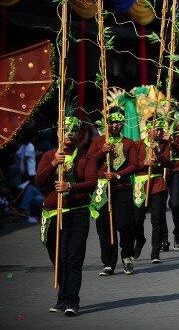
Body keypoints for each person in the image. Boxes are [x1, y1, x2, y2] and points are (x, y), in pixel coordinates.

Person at [36, 116, 97, 317]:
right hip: (53, 214)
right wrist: (54, 163)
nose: (68, 133)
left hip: (77, 213)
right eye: (64, 129)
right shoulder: (49, 155)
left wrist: (71, 186)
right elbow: (39, 181)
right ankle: (62, 298)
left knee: (73, 257)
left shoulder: (85, 157)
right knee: (59, 259)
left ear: (80, 134)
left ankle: (72, 301)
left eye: (73, 130)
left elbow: (92, 183)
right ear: (58, 133)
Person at [88, 107, 137, 276]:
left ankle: (127, 256)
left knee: (125, 225)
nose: (115, 125)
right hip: (102, 190)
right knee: (104, 227)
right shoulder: (98, 142)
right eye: (111, 122)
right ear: (106, 123)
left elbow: (133, 165)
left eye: (118, 122)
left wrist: (117, 175)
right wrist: (102, 152)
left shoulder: (129, 143)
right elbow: (88, 163)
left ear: (122, 124)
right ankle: (108, 263)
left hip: (122, 188)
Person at [132, 116, 171, 264]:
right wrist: (144, 163)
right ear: (148, 129)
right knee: (137, 220)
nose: (159, 132)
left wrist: (158, 154)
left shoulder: (165, 145)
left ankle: (155, 252)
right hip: (140, 186)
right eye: (156, 129)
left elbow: (167, 163)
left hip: (157, 184)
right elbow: (132, 165)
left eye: (161, 129)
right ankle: (140, 239)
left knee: (157, 219)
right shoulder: (138, 145)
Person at [161, 116, 179, 252]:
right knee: (158, 206)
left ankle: (178, 232)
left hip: (175, 169)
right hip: (159, 170)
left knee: (175, 203)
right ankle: (162, 238)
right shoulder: (154, 125)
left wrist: (172, 142)